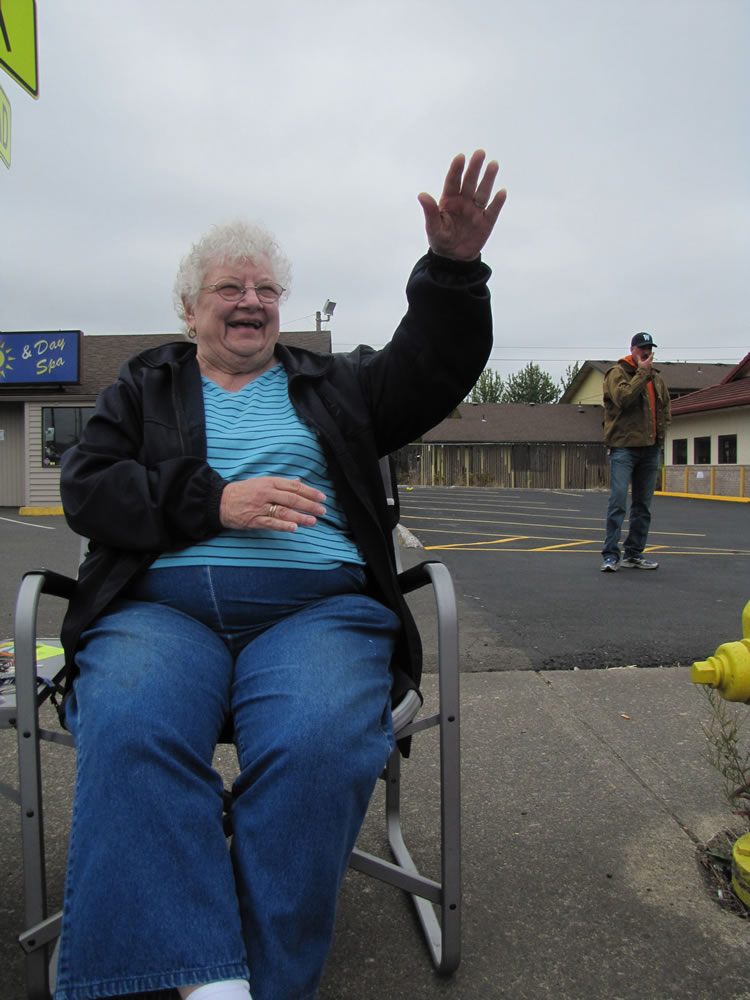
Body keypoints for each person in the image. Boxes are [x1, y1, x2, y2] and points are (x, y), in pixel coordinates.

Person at [53, 150, 507, 1000]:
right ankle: (208, 979)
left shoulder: (331, 384)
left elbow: (428, 371)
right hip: (160, 610)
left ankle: (259, 980)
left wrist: (453, 271)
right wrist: (213, 502)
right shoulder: (143, 387)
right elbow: (87, 488)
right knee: (131, 723)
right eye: (230, 288)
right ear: (190, 308)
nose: (250, 302)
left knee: (320, 740)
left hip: (316, 612)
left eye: (264, 289)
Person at [600, 331, 671, 572]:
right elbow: (623, 399)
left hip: (651, 449)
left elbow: (665, 409)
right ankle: (610, 555)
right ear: (633, 350)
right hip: (624, 447)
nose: (646, 352)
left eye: (649, 348)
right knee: (618, 500)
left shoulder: (657, 379)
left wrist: (661, 437)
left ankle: (634, 554)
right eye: (642, 347)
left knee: (643, 505)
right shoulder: (617, 373)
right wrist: (641, 373)